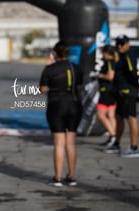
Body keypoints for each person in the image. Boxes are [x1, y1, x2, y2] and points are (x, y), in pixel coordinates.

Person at [39, 41, 83, 187]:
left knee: (59, 143)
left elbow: (42, 89)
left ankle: (57, 178)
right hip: (74, 105)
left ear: (55, 53)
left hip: (57, 106)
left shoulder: (50, 69)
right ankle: (71, 177)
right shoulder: (76, 67)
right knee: (70, 142)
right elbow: (79, 87)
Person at [104, 35, 139, 158]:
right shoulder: (119, 56)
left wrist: (137, 85)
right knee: (119, 118)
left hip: (128, 92)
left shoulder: (128, 56)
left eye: (122, 44)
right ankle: (116, 143)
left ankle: (134, 147)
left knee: (131, 118)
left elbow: (132, 73)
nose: (119, 46)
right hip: (119, 92)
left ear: (127, 44)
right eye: (118, 44)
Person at [91, 45, 117, 147]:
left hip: (107, 91)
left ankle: (113, 135)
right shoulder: (113, 62)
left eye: (103, 53)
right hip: (112, 92)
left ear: (107, 53)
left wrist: (99, 75)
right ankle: (113, 139)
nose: (102, 55)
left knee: (100, 115)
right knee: (110, 116)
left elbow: (110, 76)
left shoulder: (110, 63)